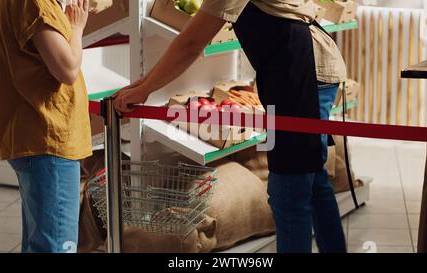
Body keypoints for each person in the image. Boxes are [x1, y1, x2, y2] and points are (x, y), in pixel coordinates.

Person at [114, 0, 347, 253]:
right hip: (302, 69)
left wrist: (145, 89)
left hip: (302, 71)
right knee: (312, 183)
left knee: (289, 194)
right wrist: (141, 87)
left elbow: (192, 43)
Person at [0, 0, 92, 253]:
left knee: (39, 242)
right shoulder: (35, 4)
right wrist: (77, 27)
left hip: (33, 135)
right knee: (55, 246)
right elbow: (67, 69)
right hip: (48, 136)